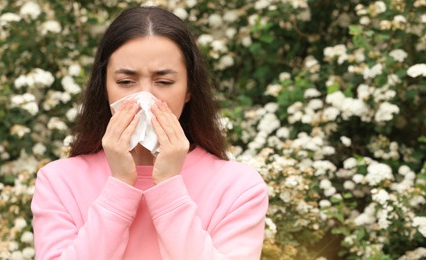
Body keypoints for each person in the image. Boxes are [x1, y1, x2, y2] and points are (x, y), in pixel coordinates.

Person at [31, 6, 268, 260]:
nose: (146, 97)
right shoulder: (58, 182)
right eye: (125, 82)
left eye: (163, 82)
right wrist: (120, 184)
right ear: (104, 87)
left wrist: (168, 186)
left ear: (189, 89)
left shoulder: (239, 188)